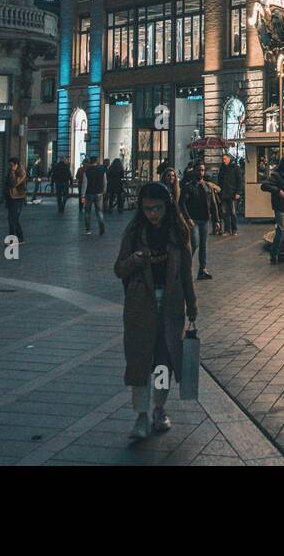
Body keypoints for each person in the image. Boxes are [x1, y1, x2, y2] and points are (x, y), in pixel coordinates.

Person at [113, 181, 197, 441]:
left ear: (167, 206)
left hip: (171, 309)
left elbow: (185, 272)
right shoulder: (135, 231)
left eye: (158, 208)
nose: (153, 214)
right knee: (140, 363)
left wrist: (192, 304)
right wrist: (136, 260)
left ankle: (159, 410)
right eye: (148, 209)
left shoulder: (179, 231)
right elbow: (119, 269)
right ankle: (140, 416)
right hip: (140, 308)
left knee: (163, 363)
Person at [180, 162, 217, 280]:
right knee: (195, 243)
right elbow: (182, 203)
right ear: (194, 171)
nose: (201, 172)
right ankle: (185, 266)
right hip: (194, 220)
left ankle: (202, 269)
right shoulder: (188, 186)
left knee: (203, 245)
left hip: (205, 219)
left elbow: (213, 204)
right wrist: (188, 218)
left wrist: (217, 220)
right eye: (199, 170)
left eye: (202, 170)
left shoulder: (207, 186)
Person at [260, 155, 284, 265]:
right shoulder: (276, 175)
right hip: (281, 207)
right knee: (282, 231)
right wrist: (277, 190)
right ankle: (274, 253)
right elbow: (264, 185)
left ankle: (283, 255)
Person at [80, 156, 107, 236]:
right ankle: (102, 228)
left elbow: (84, 184)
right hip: (99, 193)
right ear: (97, 161)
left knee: (87, 211)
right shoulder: (102, 170)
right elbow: (105, 182)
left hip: (89, 193)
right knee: (99, 211)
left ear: (90, 162)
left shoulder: (87, 171)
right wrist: (104, 190)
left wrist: (82, 195)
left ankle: (88, 229)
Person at [216, 152, 241, 236]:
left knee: (233, 212)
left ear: (229, 159)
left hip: (232, 193)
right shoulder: (222, 168)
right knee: (225, 212)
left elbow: (239, 181)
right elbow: (219, 180)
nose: (224, 161)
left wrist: (238, 192)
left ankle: (234, 229)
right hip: (223, 193)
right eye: (223, 159)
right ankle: (227, 230)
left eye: (225, 159)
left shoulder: (235, 168)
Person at [6, 156, 27, 242]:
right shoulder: (11, 172)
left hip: (18, 199)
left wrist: (13, 171)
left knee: (12, 219)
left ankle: (12, 239)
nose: (9, 167)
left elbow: (13, 184)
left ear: (16, 165)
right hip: (11, 198)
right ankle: (20, 238)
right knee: (13, 219)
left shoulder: (21, 173)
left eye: (11, 165)